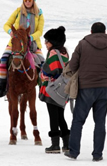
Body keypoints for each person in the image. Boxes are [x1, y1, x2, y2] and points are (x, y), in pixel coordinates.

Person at [64, 22, 107, 161]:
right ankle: (97, 154)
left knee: (78, 120)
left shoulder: (83, 44)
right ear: (105, 32)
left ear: (91, 31)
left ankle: (73, 152)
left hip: (85, 87)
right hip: (104, 88)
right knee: (100, 122)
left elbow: (72, 64)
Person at [0, 0, 45, 97]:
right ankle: (2, 87)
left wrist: (29, 38)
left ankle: (42, 87)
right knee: (3, 61)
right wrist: (10, 32)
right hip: (15, 44)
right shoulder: (18, 11)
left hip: (33, 44)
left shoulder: (39, 14)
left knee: (43, 63)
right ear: (23, 1)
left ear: (33, 1)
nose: (28, 2)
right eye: (26, 0)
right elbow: (6, 25)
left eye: (30, 0)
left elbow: (40, 31)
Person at [39, 26, 70, 154]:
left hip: (52, 89)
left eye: (47, 41)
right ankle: (67, 144)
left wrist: (41, 73)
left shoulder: (53, 53)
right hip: (62, 89)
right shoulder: (65, 52)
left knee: (53, 116)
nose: (45, 44)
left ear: (53, 42)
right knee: (60, 116)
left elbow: (49, 70)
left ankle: (55, 145)